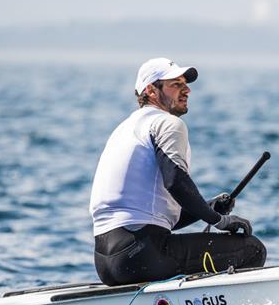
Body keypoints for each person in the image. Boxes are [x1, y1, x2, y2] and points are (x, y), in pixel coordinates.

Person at [89, 57, 266, 286]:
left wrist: (206, 208)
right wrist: (220, 220)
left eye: (185, 84)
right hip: (144, 255)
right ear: (151, 91)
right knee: (251, 249)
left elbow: (154, 216)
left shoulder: (124, 129)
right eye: (176, 85)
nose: (187, 90)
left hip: (107, 262)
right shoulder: (166, 123)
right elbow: (175, 182)